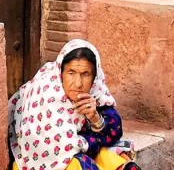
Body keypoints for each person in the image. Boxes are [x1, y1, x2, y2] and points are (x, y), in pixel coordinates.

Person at [8, 39, 142, 170]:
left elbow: (115, 130)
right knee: (79, 162)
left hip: (81, 150)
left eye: (85, 74)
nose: (78, 83)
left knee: (116, 158)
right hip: (45, 162)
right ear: (60, 73)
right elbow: (61, 148)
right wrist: (94, 139)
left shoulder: (95, 92)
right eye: (71, 73)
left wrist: (95, 118)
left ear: (95, 77)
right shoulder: (45, 95)